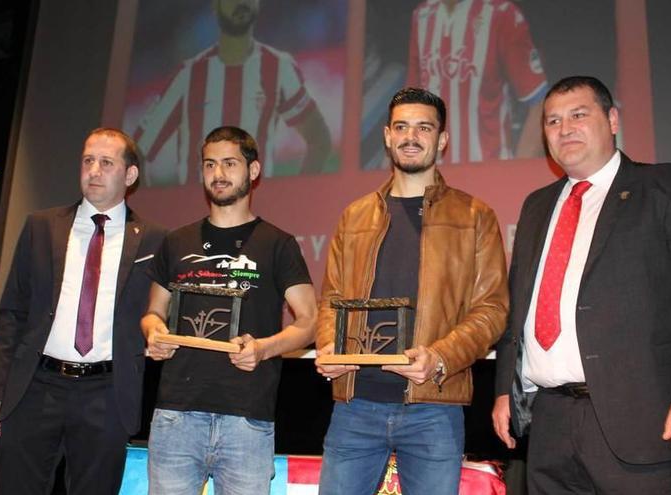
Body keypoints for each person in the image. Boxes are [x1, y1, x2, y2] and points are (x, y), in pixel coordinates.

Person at [492, 76, 671, 494]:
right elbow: (521, 310)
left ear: (612, 119)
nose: (564, 128)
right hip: (550, 424)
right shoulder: (536, 206)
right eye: (552, 121)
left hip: (648, 422)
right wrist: (505, 392)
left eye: (578, 115)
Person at [315, 87, 509, 494]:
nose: (411, 136)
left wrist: (439, 358)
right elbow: (332, 299)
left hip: (433, 407)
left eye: (424, 127)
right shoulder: (354, 216)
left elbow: (491, 309)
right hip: (354, 405)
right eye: (401, 126)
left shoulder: (476, 216)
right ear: (386, 135)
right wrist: (329, 347)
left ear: (442, 140)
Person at [0, 128, 166, 494]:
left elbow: (160, 312)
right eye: (88, 161)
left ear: (130, 175)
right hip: (35, 385)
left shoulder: (156, 239)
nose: (94, 170)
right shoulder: (41, 226)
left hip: (107, 393)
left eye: (106, 163)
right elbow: (12, 312)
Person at [142, 125, 317, 493]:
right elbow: (153, 312)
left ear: (253, 172)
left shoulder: (278, 244)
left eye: (229, 164)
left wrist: (264, 349)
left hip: (247, 420)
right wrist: (154, 333)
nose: (218, 174)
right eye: (209, 165)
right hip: (176, 416)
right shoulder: (176, 241)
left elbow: (310, 322)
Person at [133, 0, 332, 185]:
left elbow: (319, 140)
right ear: (215, 5)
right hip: (197, 218)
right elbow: (137, 152)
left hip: (258, 217)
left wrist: (293, 198)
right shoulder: (187, 75)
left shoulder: (279, 67)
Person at [406, 0, 547, 163]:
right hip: (433, 176)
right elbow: (409, 106)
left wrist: (516, 174)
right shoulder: (422, 15)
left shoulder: (501, 13)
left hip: (488, 173)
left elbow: (540, 103)